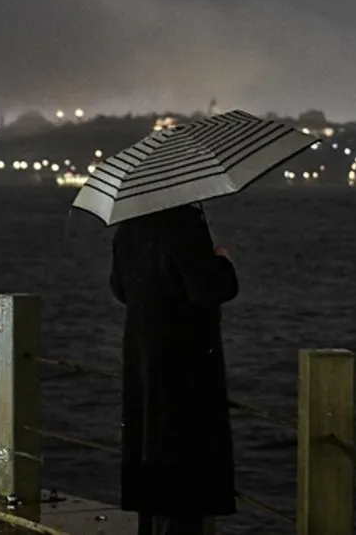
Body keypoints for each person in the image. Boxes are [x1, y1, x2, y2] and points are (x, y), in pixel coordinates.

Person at [109, 203, 239, 535]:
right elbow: (207, 288)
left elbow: (119, 287)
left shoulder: (130, 225)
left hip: (143, 358)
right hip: (185, 364)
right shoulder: (184, 224)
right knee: (185, 478)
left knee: (150, 471)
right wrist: (222, 261)